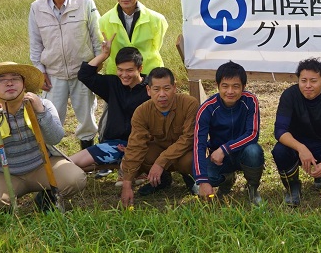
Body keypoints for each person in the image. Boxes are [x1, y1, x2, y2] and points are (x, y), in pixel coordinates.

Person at [0, 61, 86, 211]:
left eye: (15, 78)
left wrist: (41, 112)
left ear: (24, 85)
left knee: (76, 179)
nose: (9, 82)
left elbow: (55, 138)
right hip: (5, 173)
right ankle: (7, 202)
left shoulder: (42, 104)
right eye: (1, 80)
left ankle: (46, 197)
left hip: (42, 166)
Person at [29, 0, 102, 149]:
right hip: (53, 73)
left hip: (83, 71)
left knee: (87, 117)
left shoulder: (85, 3)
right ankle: (50, 160)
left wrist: (95, 66)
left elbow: (97, 36)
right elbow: (35, 43)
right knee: (50, 117)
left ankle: (89, 157)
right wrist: (40, 71)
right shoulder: (37, 7)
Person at [272, 58, 321, 207]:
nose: (307, 86)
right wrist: (301, 148)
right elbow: (280, 131)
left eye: (313, 81)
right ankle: (293, 187)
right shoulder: (289, 96)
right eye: (303, 80)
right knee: (279, 151)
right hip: (294, 144)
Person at [119, 67, 198, 207]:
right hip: (159, 150)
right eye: (156, 89)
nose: (162, 94)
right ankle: (161, 180)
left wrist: (161, 162)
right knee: (143, 154)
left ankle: (191, 178)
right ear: (149, 90)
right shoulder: (141, 112)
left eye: (166, 88)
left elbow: (189, 138)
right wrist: (127, 184)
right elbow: (136, 145)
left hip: (183, 153)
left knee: (190, 159)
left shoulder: (189, 104)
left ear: (174, 88)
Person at [192, 61, 264, 205]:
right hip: (218, 159)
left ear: (244, 87)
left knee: (254, 151)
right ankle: (227, 178)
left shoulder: (250, 101)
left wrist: (225, 149)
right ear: (217, 85)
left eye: (236, 86)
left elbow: (252, 134)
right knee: (198, 186)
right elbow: (198, 145)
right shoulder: (207, 108)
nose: (230, 91)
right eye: (225, 86)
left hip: (242, 152)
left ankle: (252, 188)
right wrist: (202, 179)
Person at [71, 43, 149, 174]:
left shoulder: (150, 89)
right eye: (120, 69)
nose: (124, 74)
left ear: (140, 68)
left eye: (129, 70)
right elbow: (84, 74)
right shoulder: (113, 84)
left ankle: (133, 171)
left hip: (141, 146)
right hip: (114, 144)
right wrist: (104, 55)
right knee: (71, 162)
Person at [97, 0, 169, 75]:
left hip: (149, 74)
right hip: (118, 76)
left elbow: (157, 46)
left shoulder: (157, 19)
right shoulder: (104, 20)